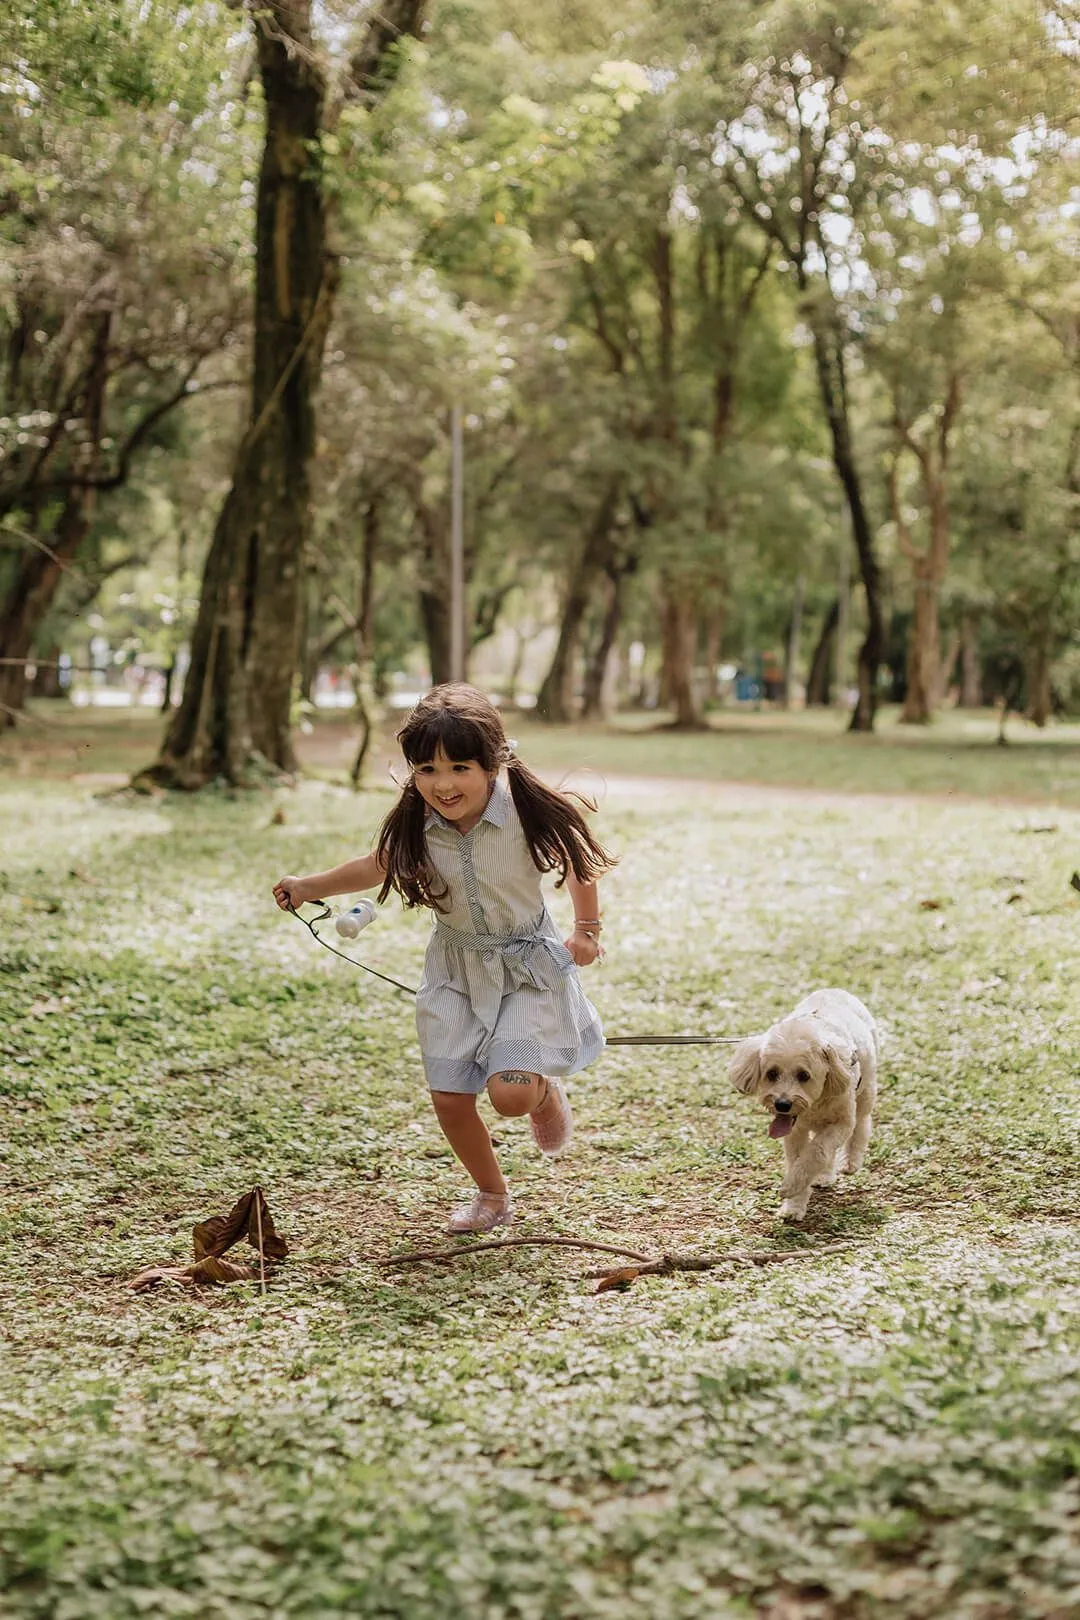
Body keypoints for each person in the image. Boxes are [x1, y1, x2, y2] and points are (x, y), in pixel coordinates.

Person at [273, 684, 615, 1234]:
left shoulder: (525, 812)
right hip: (454, 970)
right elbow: (375, 865)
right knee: (451, 1095)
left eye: (459, 767)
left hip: (527, 967)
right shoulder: (417, 823)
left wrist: (588, 931)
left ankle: (544, 1089)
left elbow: (579, 864)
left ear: (492, 763)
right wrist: (309, 886)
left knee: (509, 1095)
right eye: (427, 770)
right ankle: (491, 1196)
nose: (444, 784)